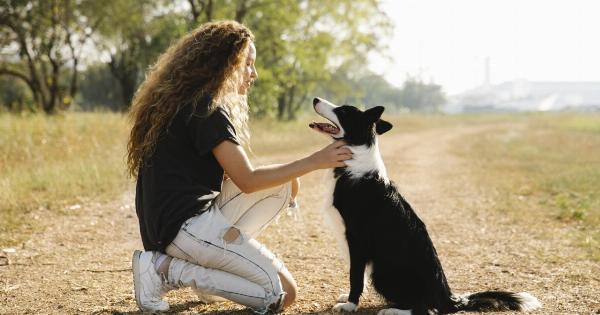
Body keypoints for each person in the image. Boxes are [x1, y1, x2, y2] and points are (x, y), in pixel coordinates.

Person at [126, 20, 352, 313]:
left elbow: (232, 177)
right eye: (247, 64)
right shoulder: (207, 109)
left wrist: (295, 174)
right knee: (283, 294)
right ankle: (167, 270)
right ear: (225, 64)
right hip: (183, 230)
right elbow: (246, 180)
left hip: (174, 225)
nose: (253, 74)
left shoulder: (187, 101)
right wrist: (315, 161)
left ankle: (210, 270)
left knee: (284, 185)